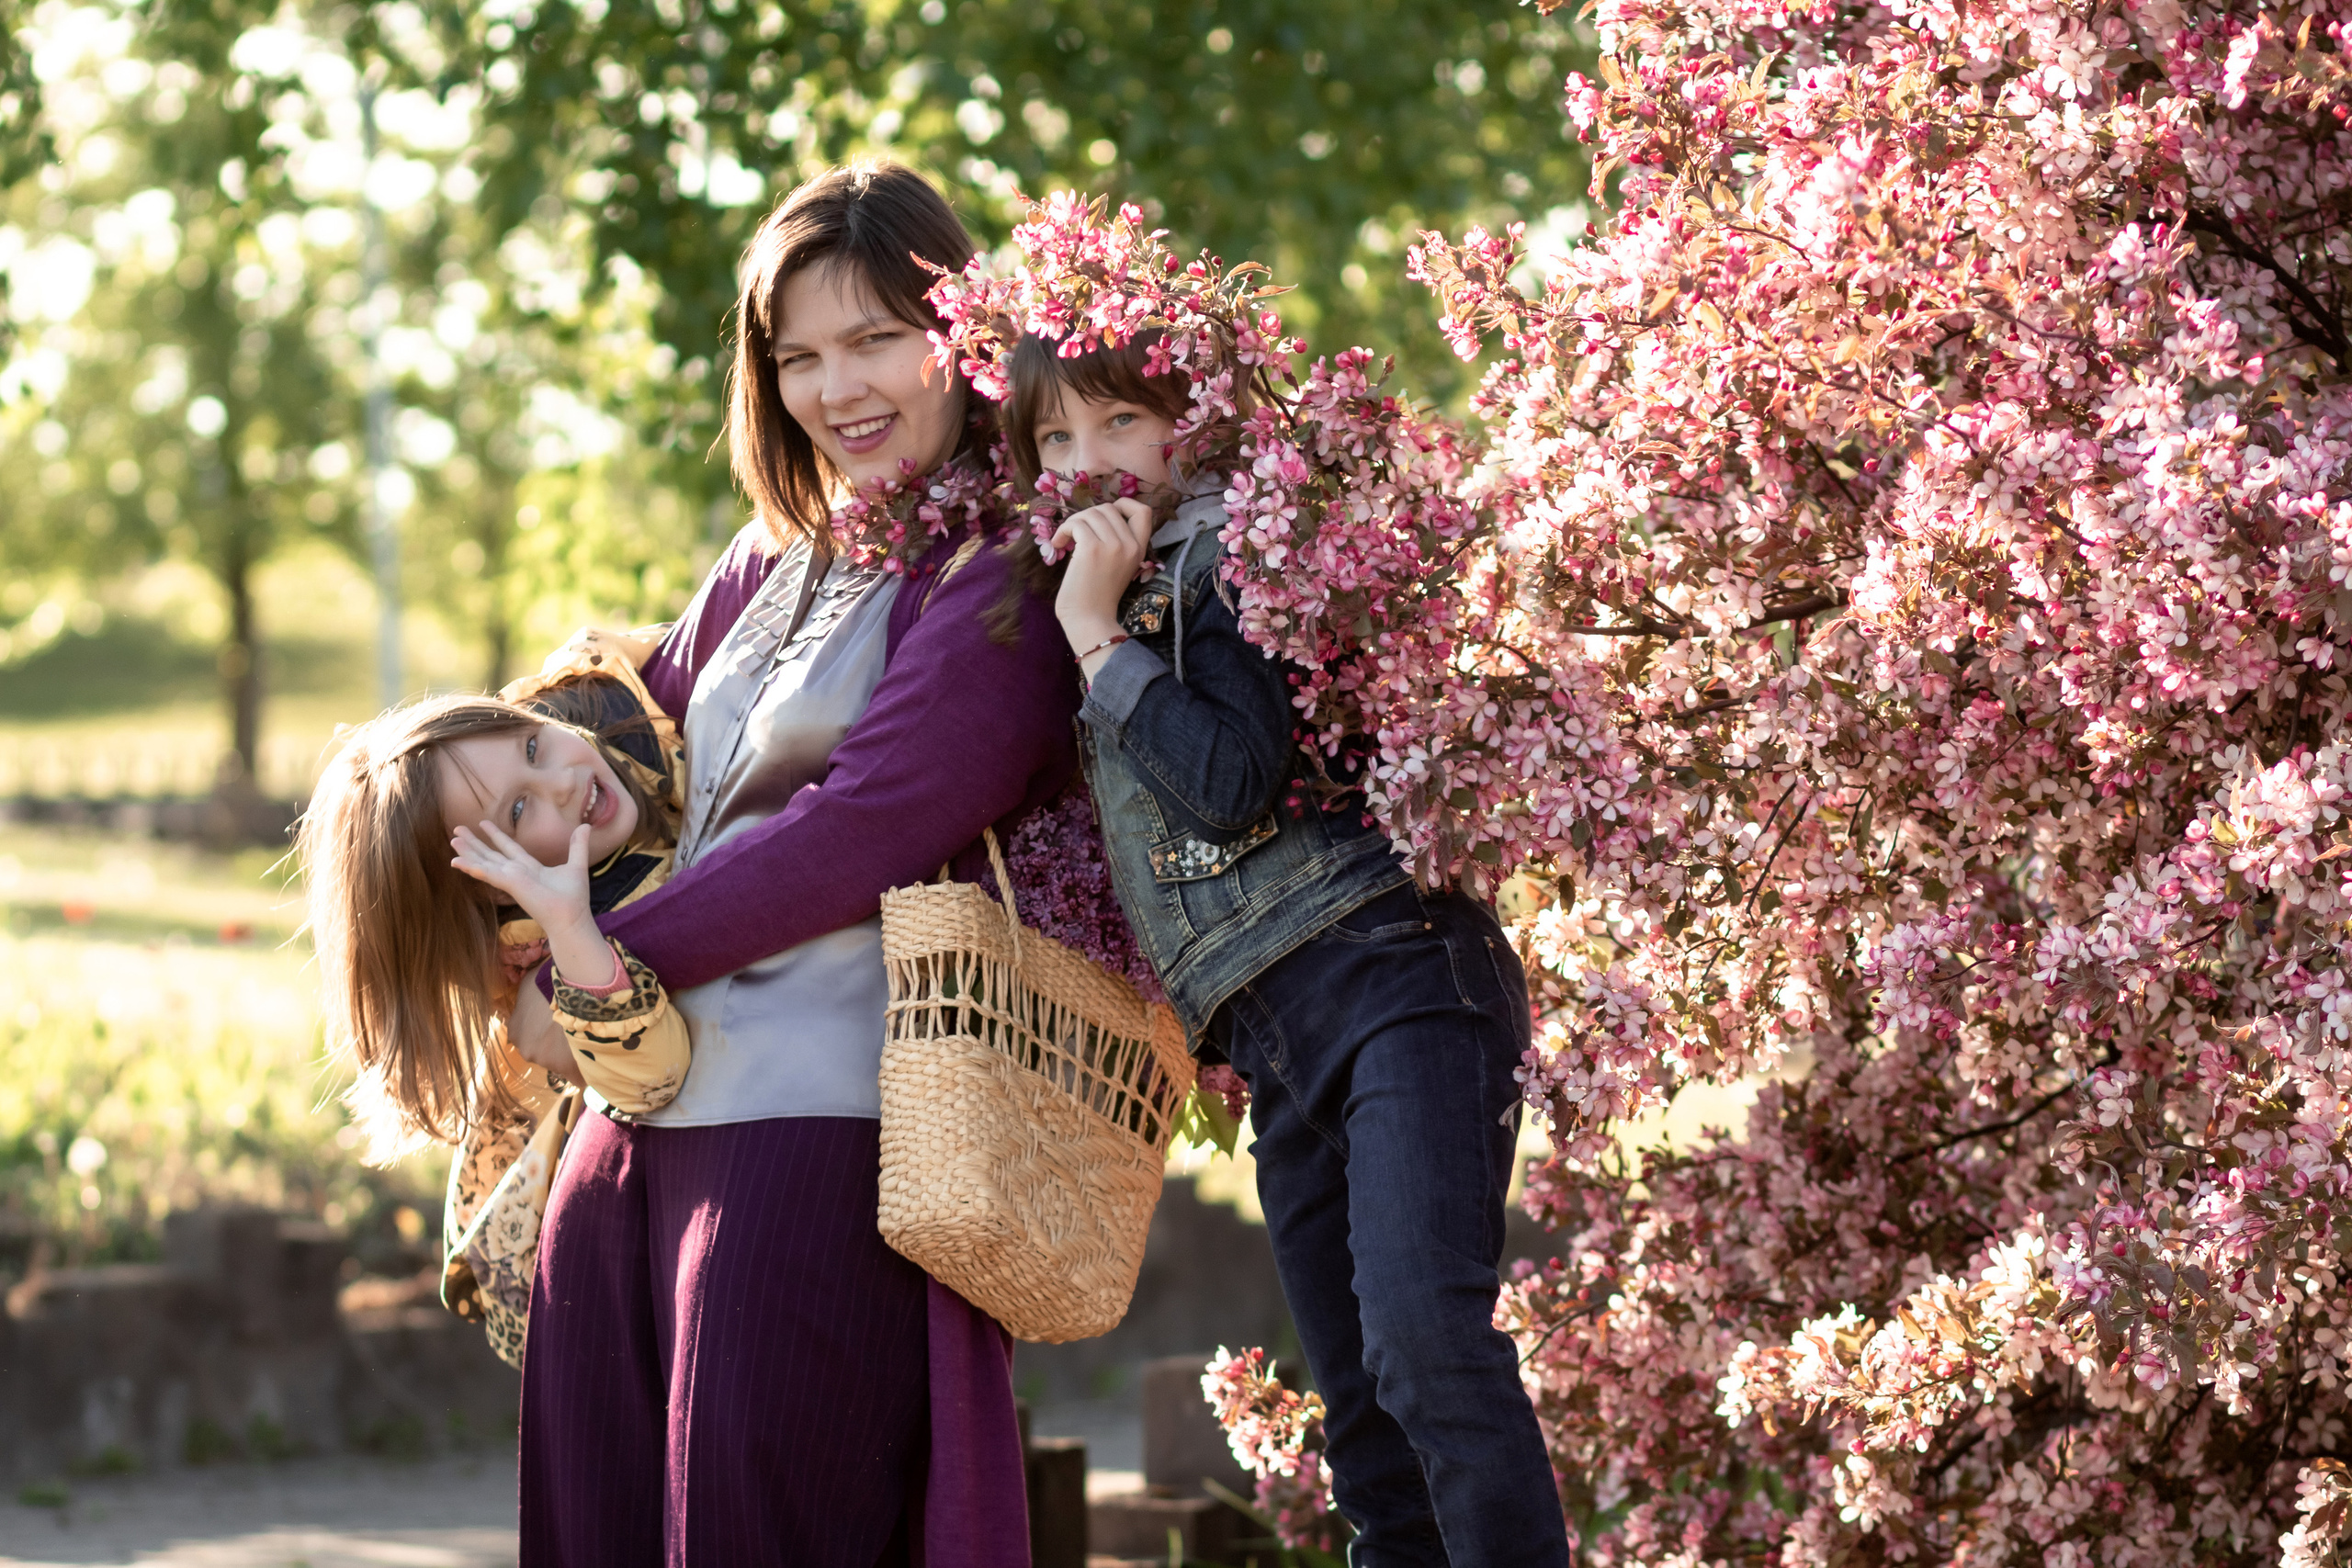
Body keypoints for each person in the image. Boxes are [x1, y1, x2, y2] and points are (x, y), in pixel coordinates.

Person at [503, 160, 1076, 1566]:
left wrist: (590, 967)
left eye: (877, 338)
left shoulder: (1003, 567)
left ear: (964, 336)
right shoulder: (769, 556)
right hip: (630, 1121)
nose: (837, 388)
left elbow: (861, 826)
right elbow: (643, 762)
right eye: (798, 354)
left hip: (812, 1133)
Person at [1007, 328, 1576, 1565]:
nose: (1087, 459)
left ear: (1190, 422)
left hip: (1390, 973)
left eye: (1119, 420)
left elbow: (1229, 782)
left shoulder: (1232, 552)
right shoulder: (1114, 578)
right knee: (1368, 1427)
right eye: (1055, 436)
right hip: (1274, 1034)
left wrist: (1095, 633)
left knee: (1428, 1347)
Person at [298, 627, 695, 1368]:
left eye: (533, 747)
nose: (562, 782)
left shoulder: (589, 708)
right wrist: (571, 926)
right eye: (518, 813)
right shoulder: (546, 971)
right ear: (490, 890)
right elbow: (653, 1075)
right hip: (598, 1213)